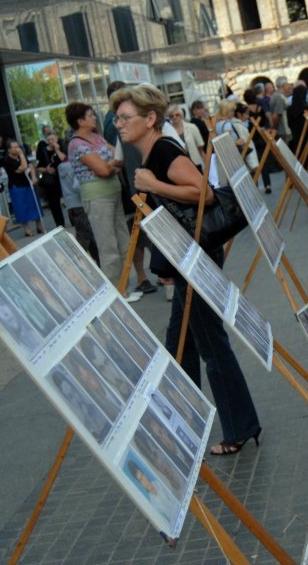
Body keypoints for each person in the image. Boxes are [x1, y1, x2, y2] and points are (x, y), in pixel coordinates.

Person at [111, 84, 262, 455]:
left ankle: (238, 427)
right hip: (186, 260)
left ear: (150, 119)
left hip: (197, 259)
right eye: (116, 118)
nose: (118, 124)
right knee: (180, 344)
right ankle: (184, 421)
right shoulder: (152, 151)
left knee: (210, 344)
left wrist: (152, 184)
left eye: (125, 117)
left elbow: (203, 193)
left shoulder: (162, 149)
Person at [65, 101, 140, 302]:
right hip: (97, 197)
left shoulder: (96, 137)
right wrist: (112, 165)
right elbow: (104, 170)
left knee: (123, 241)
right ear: (80, 120)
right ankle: (116, 293)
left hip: (113, 192)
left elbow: (118, 160)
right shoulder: (76, 144)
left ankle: (126, 286)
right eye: (90, 115)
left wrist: (112, 165)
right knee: (108, 246)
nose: (94, 118)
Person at [3, 139, 43, 237]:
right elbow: (23, 168)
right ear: (9, 150)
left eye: (18, 147)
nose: (17, 149)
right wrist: (21, 154)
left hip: (27, 183)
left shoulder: (22, 156)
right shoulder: (7, 160)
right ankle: (27, 229)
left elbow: (30, 165)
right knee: (21, 207)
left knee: (34, 203)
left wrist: (33, 177)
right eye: (15, 147)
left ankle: (39, 226)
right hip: (17, 185)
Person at [35, 132, 66, 228]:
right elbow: (39, 167)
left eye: (52, 139)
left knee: (68, 199)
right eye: (48, 140)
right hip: (51, 180)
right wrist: (46, 170)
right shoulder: (43, 151)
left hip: (63, 177)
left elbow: (64, 159)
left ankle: (73, 219)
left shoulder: (61, 147)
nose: (50, 142)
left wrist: (57, 149)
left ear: (56, 139)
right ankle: (60, 223)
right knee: (54, 203)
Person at [167, 105, 204, 171]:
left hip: (195, 163)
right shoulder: (167, 132)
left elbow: (200, 148)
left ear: (181, 115)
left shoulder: (192, 127)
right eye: (171, 116)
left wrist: (207, 164)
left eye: (177, 115)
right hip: (179, 167)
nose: (174, 117)